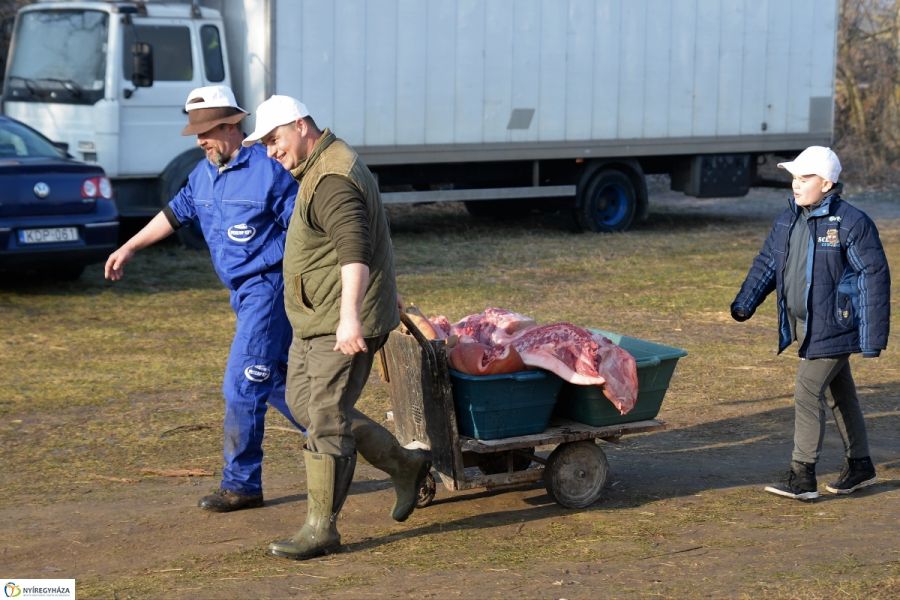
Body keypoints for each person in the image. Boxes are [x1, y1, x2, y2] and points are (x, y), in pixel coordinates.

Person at [242, 95, 431, 560]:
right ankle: (405, 464)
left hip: (339, 322)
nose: (271, 151)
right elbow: (368, 234)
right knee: (301, 401)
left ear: (302, 126)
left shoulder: (329, 177)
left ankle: (320, 528)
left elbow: (354, 248)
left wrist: (352, 316)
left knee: (325, 416)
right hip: (318, 317)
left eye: (274, 139)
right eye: (265, 143)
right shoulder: (323, 166)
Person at [105, 85, 304, 512]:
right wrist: (129, 247)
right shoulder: (203, 173)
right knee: (277, 386)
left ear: (232, 125)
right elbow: (173, 215)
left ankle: (242, 484)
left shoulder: (269, 169)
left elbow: (306, 231)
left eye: (206, 131)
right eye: (196, 133)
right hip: (242, 295)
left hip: (268, 290)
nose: (199, 140)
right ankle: (368, 446)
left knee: (241, 386)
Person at [731, 146, 890, 501]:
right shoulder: (788, 219)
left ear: (828, 183)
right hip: (806, 325)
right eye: (794, 178)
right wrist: (746, 302)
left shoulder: (851, 222)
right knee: (839, 393)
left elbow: (873, 278)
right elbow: (768, 265)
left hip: (835, 324)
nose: (796, 185)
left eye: (805, 178)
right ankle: (861, 464)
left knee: (806, 391)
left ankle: (803, 476)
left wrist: (872, 337)